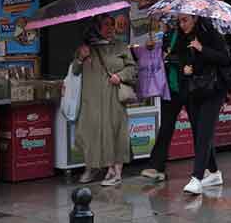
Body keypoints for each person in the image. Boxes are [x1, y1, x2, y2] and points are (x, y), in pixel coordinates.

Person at [73, 14, 137, 186]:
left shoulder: (121, 46)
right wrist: (80, 57)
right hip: (92, 101)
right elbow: (75, 71)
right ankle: (92, 168)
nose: (109, 28)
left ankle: (115, 173)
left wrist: (120, 76)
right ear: (96, 27)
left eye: (111, 24)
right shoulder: (87, 48)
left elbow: (133, 69)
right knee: (91, 135)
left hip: (114, 98)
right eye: (105, 25)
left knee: (116, 133)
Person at [178, 15, 231, 195]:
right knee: (197, 132)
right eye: (179, 21)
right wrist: (185, 67)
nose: (181, 24)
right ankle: (214, 173)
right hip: (194, 89)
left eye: (184, 20)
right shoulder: (182, 35)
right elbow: (179, 57)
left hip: (213, 89)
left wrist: (202, 49)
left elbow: (225, 58)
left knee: (204, 132)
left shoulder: (211, 33)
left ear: (194, 18)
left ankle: (197, 177)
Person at [140, 25, 184, 182]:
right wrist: (152, 48)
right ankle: (156, 165)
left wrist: (170, 58)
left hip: (190, 86)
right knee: (166, 125)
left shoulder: (195, 33)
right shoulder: (168, 34)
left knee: (200, 128)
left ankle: (208, 167)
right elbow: (161, 55)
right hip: (171, 87)